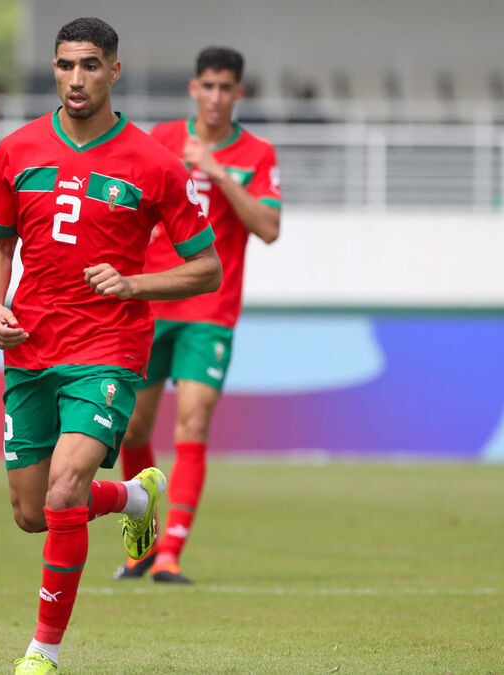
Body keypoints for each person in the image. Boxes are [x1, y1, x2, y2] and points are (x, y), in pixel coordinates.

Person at [0, 18, 222, 675]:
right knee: (33, 512)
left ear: (115, 70)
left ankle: (43, 652)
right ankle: (134, 497)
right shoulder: (17, 149)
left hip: (109, 346)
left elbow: (207, 267)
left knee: (63, 489)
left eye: (89, 65)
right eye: (64, 65)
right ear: (54, 70)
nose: (75, 78)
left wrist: (136, 281)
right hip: (30, 346)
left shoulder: (153, 163)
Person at [113, 46, 282, 585]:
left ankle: (170, 556)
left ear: (239, 93)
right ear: (193, 88)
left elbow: (270, 227)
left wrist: (218, 174)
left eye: (225, 88)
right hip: (151, 299)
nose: (215, 97)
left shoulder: (256, 153)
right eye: (206, 86)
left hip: (210, 308)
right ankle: (143, 541)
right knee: (134, 426)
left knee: (193, 421)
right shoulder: (160, 139)